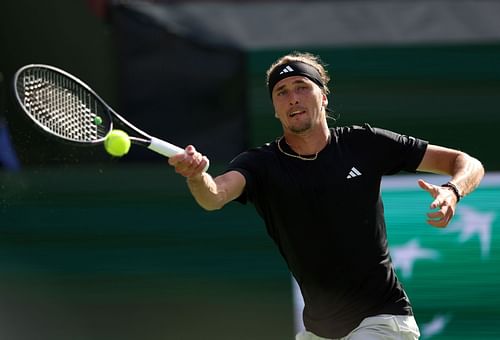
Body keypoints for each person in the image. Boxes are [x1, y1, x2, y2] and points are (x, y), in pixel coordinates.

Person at [168, 52, 484, 340]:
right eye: (282, 92)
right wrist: (197, 177)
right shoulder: (260, 165)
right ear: (275, 109)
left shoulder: (365, 143)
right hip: (319, 332)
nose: (292, 98)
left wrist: (453, 190)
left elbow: (466, 163)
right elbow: (215, 195)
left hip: (382, 321)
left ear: (323, 97)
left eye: (301, 86)